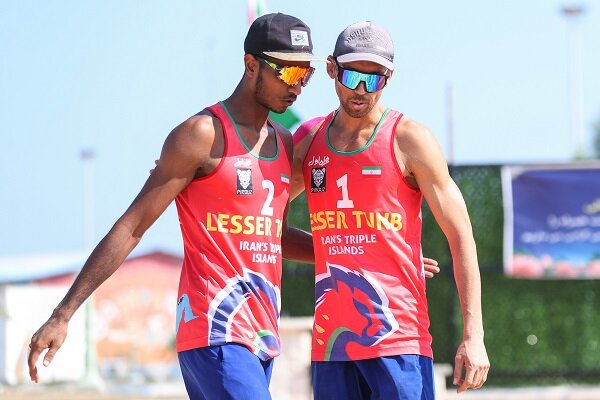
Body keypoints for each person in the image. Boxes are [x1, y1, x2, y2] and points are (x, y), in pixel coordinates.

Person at [27, 12, 320, 399]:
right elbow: (132, 227)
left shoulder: (282, 143)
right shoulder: (201, 135)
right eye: (288, 73)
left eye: (305, 75)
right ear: (251, 65)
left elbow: (273, 236)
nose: (297, 87)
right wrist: (62, 314)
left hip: (263, 333)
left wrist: (364, 258)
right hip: (214, 327)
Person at [290, 21, 490, 399]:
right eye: (351, 75)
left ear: (390, 77)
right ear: (331, 68)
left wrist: (473, 336)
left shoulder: (409, 138)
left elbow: (461, 235)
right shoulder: (309, 141)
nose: (362, 90)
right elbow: (261, 221)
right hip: (332, 345)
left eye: (375, 79)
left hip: (400, 341)